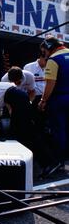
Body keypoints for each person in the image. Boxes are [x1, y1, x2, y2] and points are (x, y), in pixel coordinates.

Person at [38, 36, 69, 173]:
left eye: (43, 51)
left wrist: (43, 100)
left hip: (59, 100)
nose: (43, 54)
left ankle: (59, 161)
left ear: (49, 48)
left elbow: (50, 83)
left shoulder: (54, 59)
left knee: (59, 130)